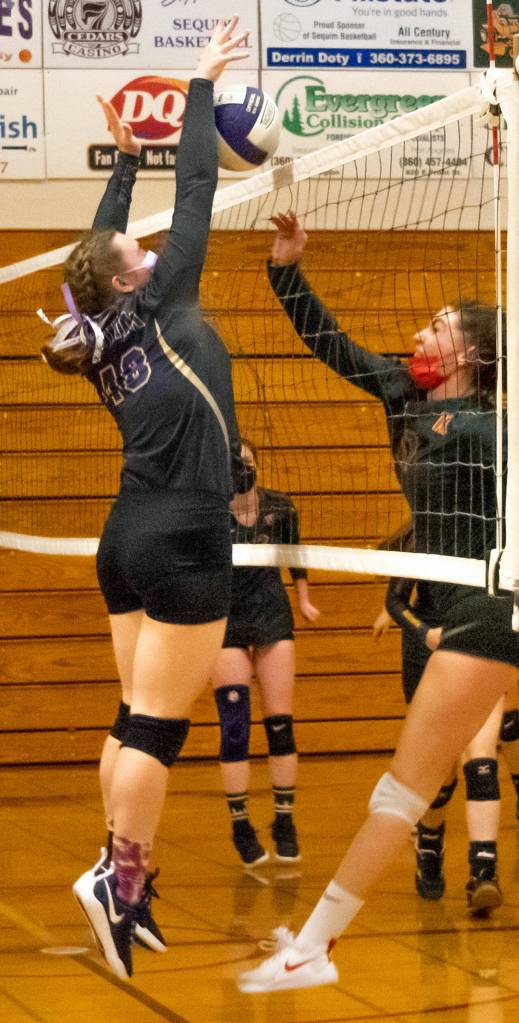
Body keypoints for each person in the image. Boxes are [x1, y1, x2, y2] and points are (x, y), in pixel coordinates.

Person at [237, 211, 518, 993]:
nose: (421, 333)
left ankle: (314, 948)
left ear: (473, 351)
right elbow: (330, 347)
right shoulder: (401, 393)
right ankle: (315, 946)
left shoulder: (495, 430)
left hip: (492, 609)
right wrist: (286, 269)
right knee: (407, 788)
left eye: (437, 326)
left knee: (403, 785)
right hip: (455, 610)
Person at [40, 19, 250, 981]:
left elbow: (94, 250)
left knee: (134, 714)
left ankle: (122, 872)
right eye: (140, 242)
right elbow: (200, 185)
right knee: (161, 728)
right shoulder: (164, 296)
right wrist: (200, 86)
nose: (153, 242)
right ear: (136, 271)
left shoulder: (101, 320)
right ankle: (117, 885)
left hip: (126, 534)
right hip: (184, 533)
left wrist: (123, 164)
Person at [212, 439, 320, 867]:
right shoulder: (209, 510)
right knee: (235, 727)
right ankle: (240, 824)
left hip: (271, 615)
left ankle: (284, 821)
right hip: (225, 621)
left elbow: (295, 557)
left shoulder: (279, 506)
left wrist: (304, 599)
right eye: (236, 464)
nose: (244, 469)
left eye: (248, 462)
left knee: (280, 725)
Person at [374, 577, 504, 912]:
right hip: (430, 649)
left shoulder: (502, 532)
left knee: (481, 760)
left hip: (485, 640)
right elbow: (396, 601)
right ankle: (430, 840)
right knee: (440, 773)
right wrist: (425, 633)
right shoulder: (428, 532)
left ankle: (483, 873)